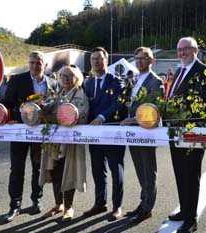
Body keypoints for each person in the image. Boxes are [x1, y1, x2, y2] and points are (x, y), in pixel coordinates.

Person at [2, 51, 59, 222]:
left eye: (38, 63)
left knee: (38, 168)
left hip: (41, 134)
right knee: (17, 169)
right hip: (19, 131)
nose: (35, 66)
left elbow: (56, 107)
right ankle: (15, 205)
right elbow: (7, 104)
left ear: (45, 65)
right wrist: (11, 118)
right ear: (29, 63)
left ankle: (36, 200)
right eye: (32, 62)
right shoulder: (17, 80)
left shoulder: (53, 83)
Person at [166, 37, 206, 233]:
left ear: (195, 50)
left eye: (185, 49)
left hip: (192, 132)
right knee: (180, 173)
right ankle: (184, 210)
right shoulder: (180, 69)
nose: (182, 53)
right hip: (174, 131)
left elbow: (204, 104)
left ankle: (191, 219)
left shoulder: (205, 71)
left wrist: (178, 114)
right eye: (179, 49)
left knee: (191, 176)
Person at [39, 65, 89, 221]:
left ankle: (68, 207)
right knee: (54, 170)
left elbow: (83, 116)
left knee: (69, 172)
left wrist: (66, 117)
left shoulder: (80, 95)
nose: (65, 79)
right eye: (63, 76)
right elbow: (48, 110)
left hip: (71, 142)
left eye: (69, 76)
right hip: (54, 140)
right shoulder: (57, 93)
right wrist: (40, 109)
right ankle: (58, 204)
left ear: (77, 78)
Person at [120, 47, 164, 223]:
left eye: (142, 58)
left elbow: (155, 109)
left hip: (147, 131)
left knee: (148, 172)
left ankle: (147, 208)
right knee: (140, 171)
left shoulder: (156, 81)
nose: (138, 61)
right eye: (136, 58)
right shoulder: (136, 79)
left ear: (151, 61)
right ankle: (143, 202)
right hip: (134, 133)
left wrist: (132, 120)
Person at [83, 47, 125, 220]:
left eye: (99, 59)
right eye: (93, 59)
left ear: (106, 60)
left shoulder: (116, 81)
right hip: (94, 135)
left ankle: (117, 206)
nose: (96, 62)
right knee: (98, 170)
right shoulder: (88, 83)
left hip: (112, 132)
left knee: (116, 170)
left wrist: (102, 116)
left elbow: (118, 104)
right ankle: (100, 204)